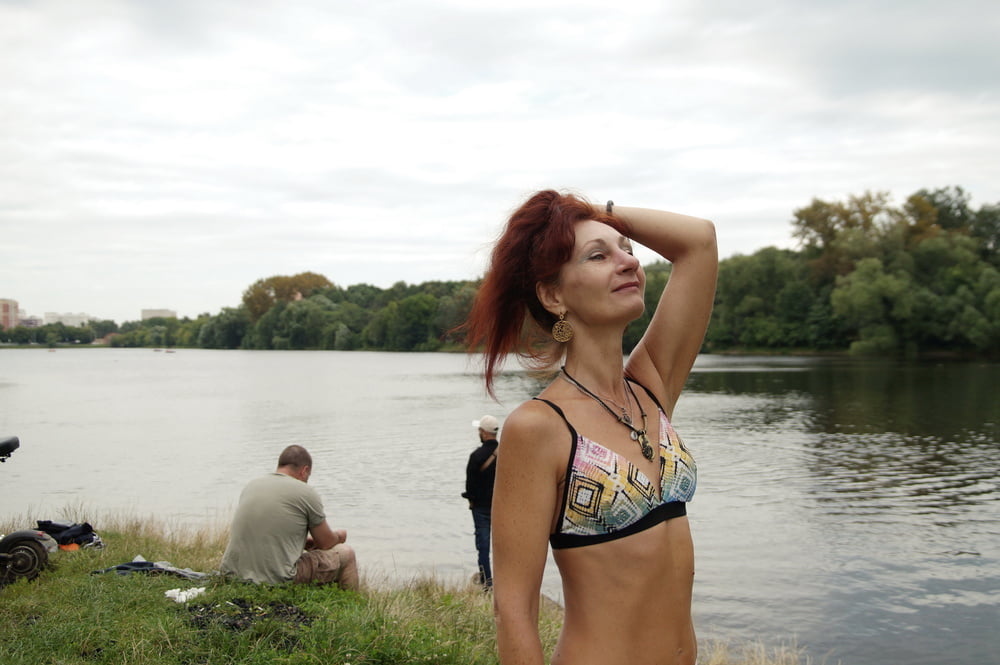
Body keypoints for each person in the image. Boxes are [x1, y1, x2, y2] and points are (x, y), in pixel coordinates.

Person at [463, 191, 717, 665]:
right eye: (598, 256)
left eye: (627, 249)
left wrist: (594, 214)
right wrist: (569, 219)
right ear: (553, 295)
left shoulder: (651, 388)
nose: (628, 262)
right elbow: (513, 610)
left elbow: (699, 242)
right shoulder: (539, 427)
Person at [220, 444, 359, 590]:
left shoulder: (251, 486)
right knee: (346, 553)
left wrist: (301, 542)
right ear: (305, 470)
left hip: (232, 574)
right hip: (277, 579)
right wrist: (339, 536)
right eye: (308, 476)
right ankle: (350, 602)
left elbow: (265, 531)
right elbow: (326, 543)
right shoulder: (306, 492)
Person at [462, 414, 500, 588]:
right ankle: (506, 581)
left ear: (484, 433)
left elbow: (470, 485)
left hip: (481, 508)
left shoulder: (476, 456)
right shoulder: (507, 453)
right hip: (501, 507)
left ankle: (487, 582)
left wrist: (471, 501)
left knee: (483, 547)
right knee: (503, 546)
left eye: (479, 430)